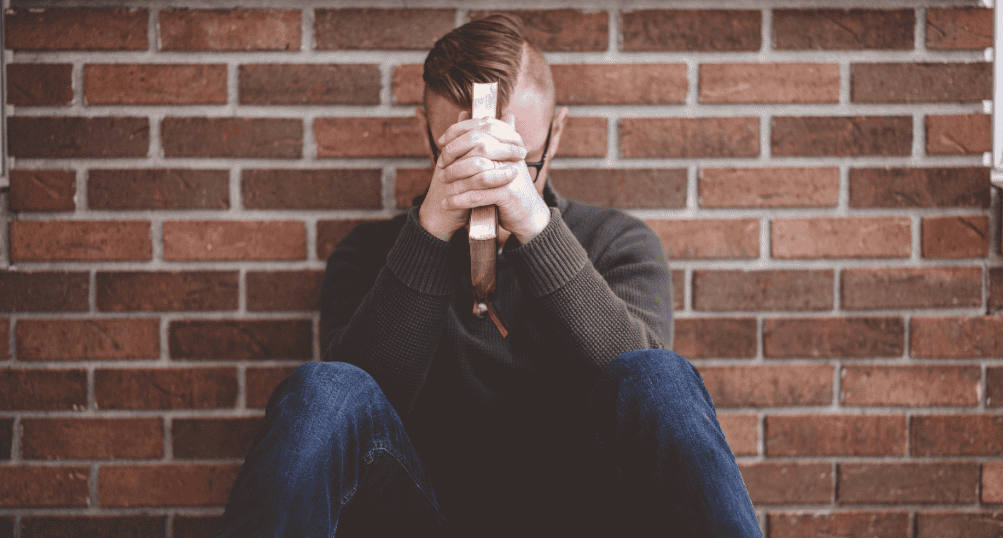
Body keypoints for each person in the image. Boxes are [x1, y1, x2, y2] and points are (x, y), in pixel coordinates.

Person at [218, 15, 762, 538]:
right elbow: (348, 418)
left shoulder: (618, 242)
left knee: (658, 374)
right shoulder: (369, 253)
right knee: (326, 387)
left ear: (557, 131)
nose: (494, 185)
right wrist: (429, 232)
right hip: (417, 515)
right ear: (428, 135)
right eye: (460, 157)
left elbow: (647, 402)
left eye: (519, 161)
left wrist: (534, 225)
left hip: (582, 514)